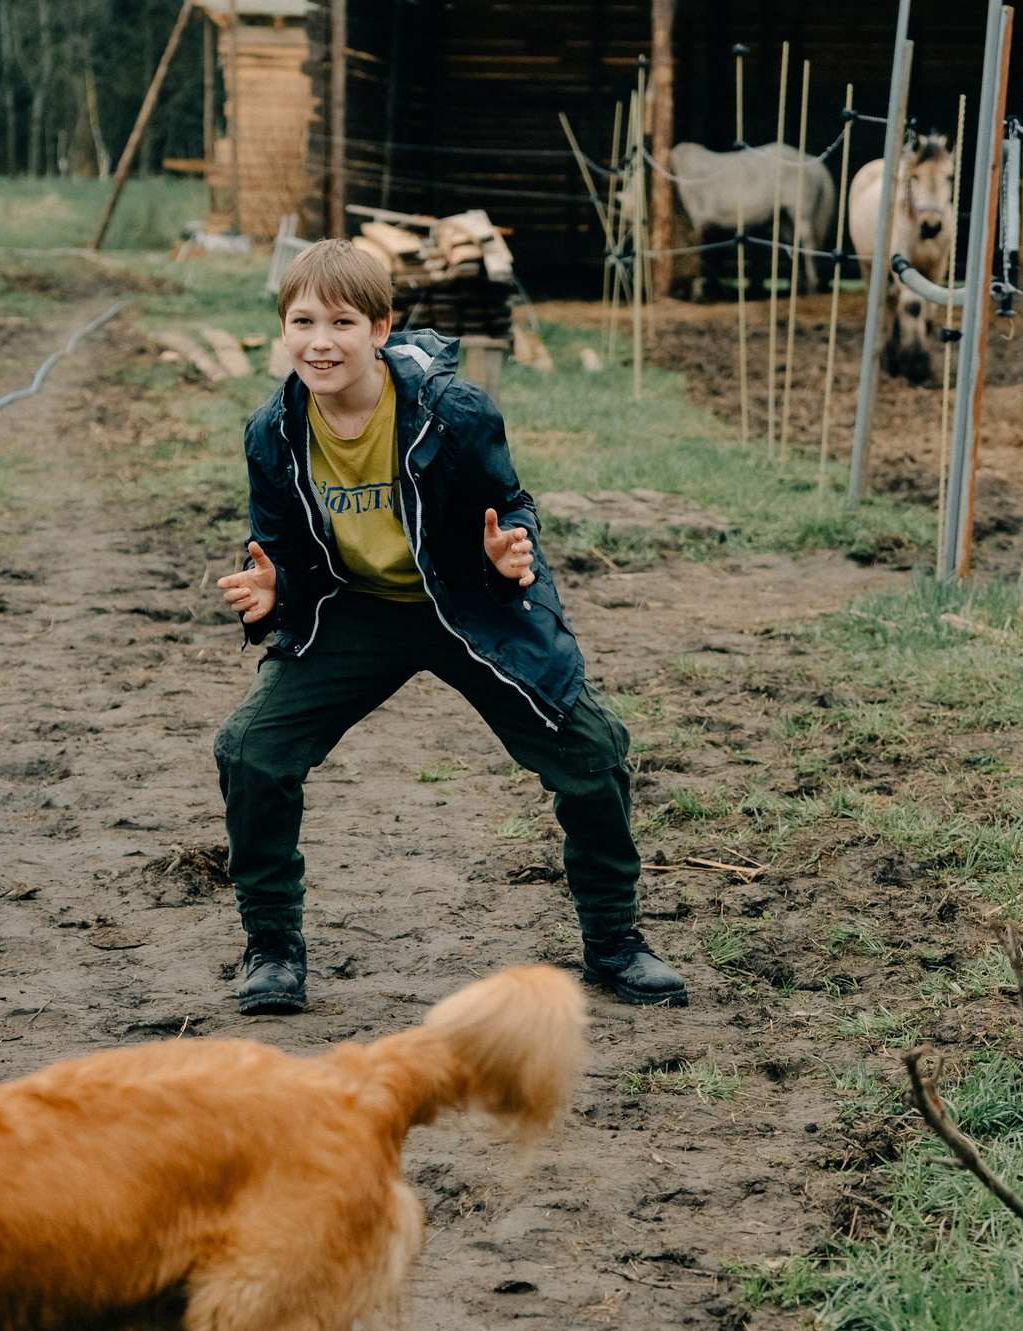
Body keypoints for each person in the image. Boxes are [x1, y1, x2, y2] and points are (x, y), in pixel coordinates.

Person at [211, 240, 687, 1015]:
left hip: (464, 603)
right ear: (283, 328)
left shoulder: (453, 413)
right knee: (250, 749)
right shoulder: (273, 433)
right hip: (355, 611)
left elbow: (513, 503)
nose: (320, 341)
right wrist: (273, 588)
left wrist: (506, 554)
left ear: (380, 328)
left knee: (595, 749)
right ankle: (272, 948)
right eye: (302, 321)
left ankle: (614, 942)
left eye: (342, 321)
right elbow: (283, 549)